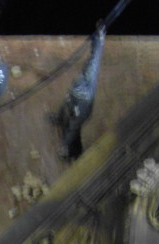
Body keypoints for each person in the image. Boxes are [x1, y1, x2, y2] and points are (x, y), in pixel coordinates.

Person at [51, 23, 106, 161]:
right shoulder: (85, 79)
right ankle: (71, 148)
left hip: (82, 102)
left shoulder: (80, 110)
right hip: (78, 97)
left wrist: (64, 146)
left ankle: (73, 151)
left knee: (71, 128)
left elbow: (73, 127)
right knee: (92, 64)